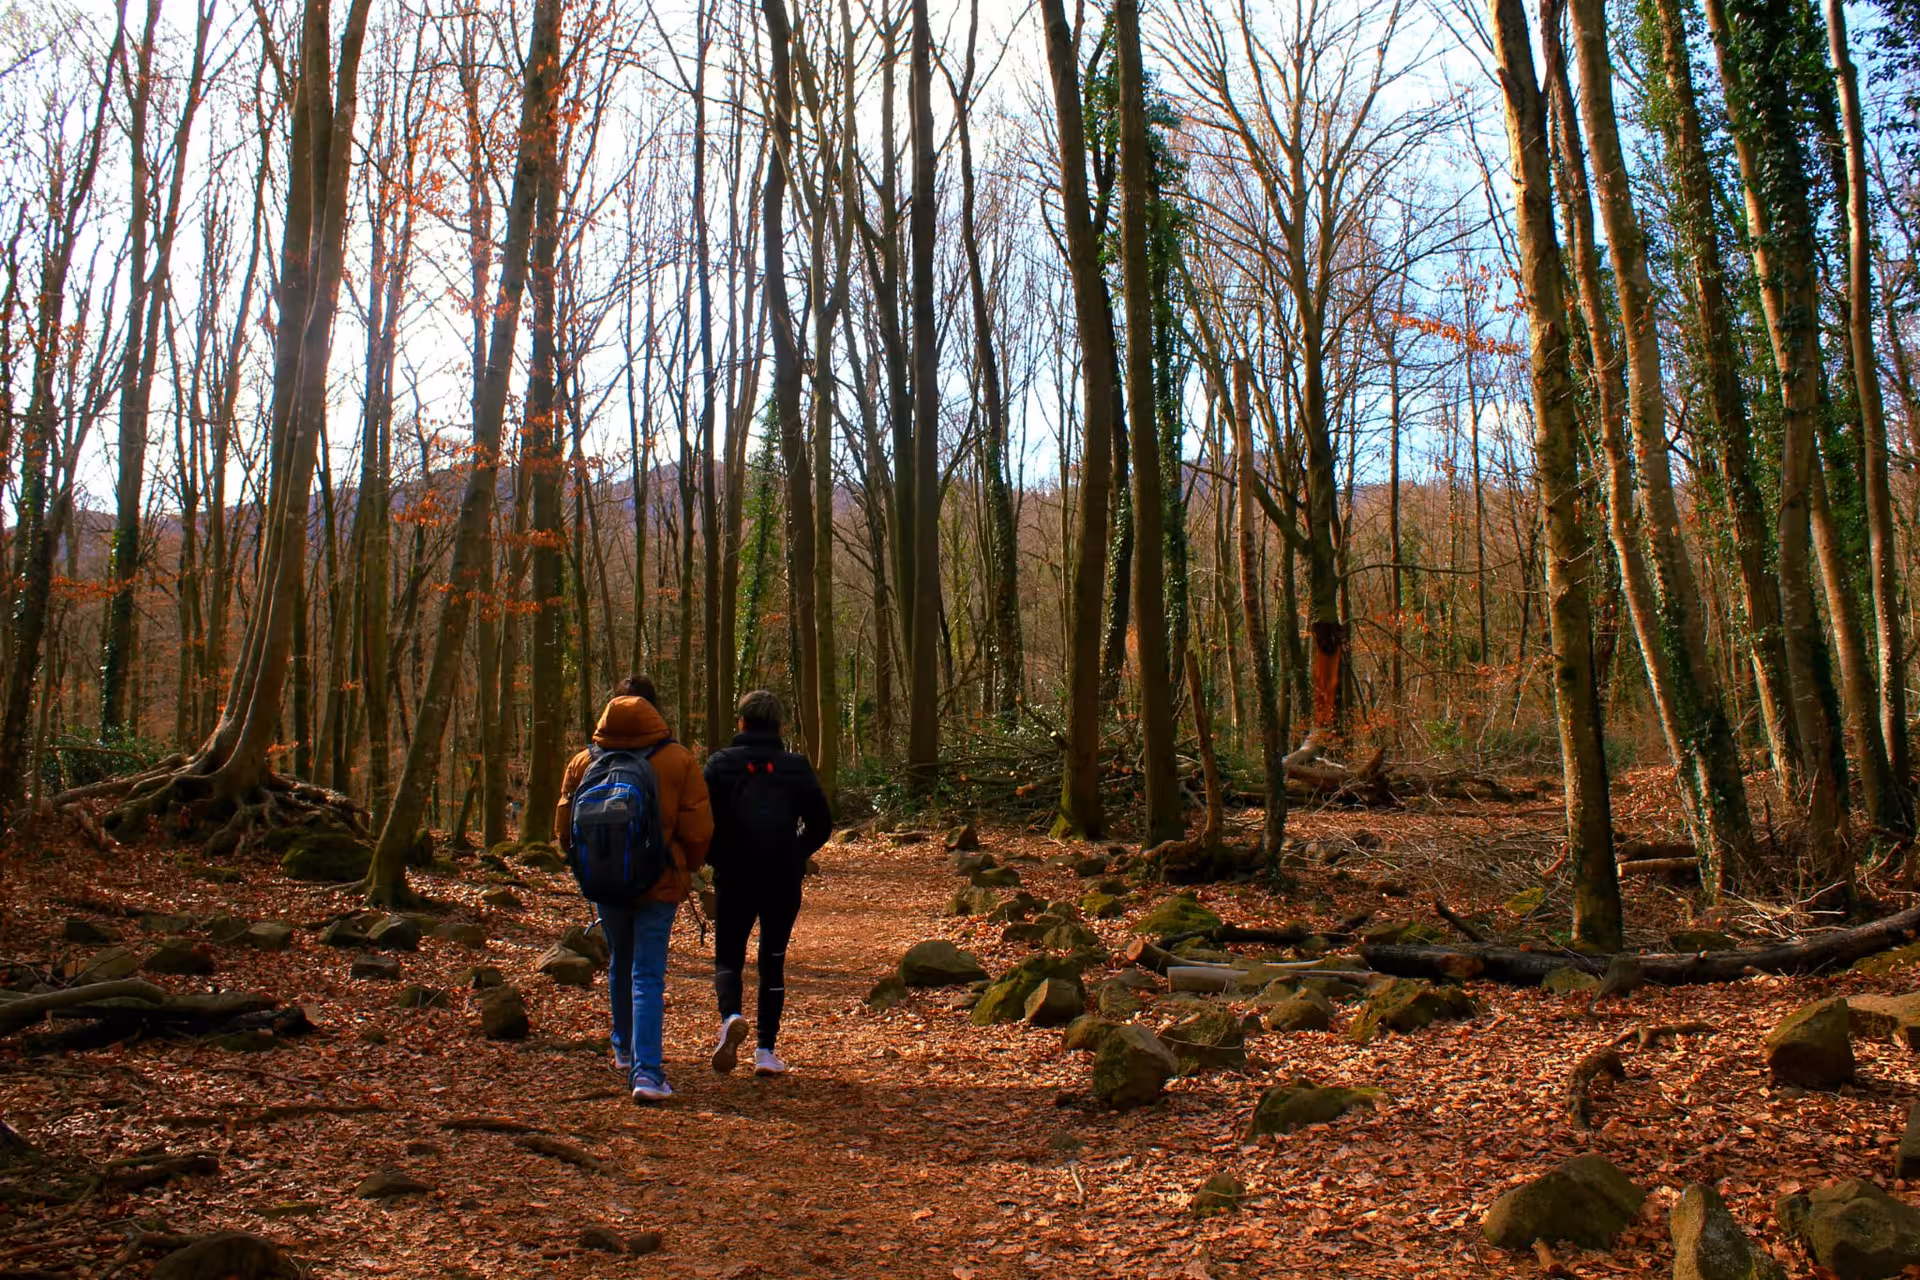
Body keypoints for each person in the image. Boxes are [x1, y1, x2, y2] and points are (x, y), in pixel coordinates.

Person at [557, 680, 712, 1103]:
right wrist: (684, 866)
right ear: (656, 711)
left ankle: (623, 1049)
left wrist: (592, 868)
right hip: (660, 883)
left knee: (619, 963)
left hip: (606, 883)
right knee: (647, 973)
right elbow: (699, 831)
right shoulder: (678, 760)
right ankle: (647, 1073)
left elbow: (564, 832)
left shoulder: (581, 763)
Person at [701, 689, 831, 1076]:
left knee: (729, 956)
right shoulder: (796, 766)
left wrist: (713, 857)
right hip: (781, 877)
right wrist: (796, 852)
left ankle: (730, 1018)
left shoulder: (719, 765)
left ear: (740, 722)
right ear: (780, 725)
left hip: (734, 874)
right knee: (772, 961)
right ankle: (765, 1050)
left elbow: (702, 821)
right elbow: (822, 824)